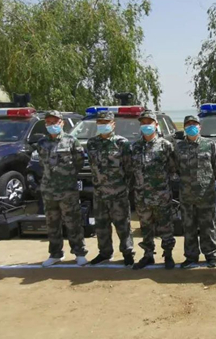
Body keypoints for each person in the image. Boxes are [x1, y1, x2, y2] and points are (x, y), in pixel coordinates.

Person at [35, 110, 88, 267]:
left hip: (67, 190)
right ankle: (55, 254)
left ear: (62, 123)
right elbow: (41, 164)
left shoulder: (71, 141)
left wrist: (66, 176)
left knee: (73, 222)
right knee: (52, 223)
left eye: (55, 122)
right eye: (48, 122)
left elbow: (79, 162)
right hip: (48, 190)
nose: (51, 125)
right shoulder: (41, 143)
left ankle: (79, 253)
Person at [86, 110, 135, 266]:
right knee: (101, 226)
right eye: (100, 123)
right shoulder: (92, 143)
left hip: (118, 193)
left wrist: (122, 187)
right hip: (99, 193)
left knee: (123, 225)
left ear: (113, 124)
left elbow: (129, 168)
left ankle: (128, 252)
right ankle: (105, 252)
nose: (103, 125)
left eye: (106, 123)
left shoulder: (122, 143)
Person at [130, 110, 176, 270]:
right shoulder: (135, 147)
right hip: (142, 196)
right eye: (143, 123)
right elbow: (130, 169)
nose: (146, 125)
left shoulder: (165, 146)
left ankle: (168, 255)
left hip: (161, 195)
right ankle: (148, 255)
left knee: (166, 226)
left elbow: (172, 168)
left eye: (149, 123)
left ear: (156, 125)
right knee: (145, 227)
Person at [173, 114, 216, 269]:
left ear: (200, 127)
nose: (191, 127)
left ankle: (211, 255)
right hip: (186, 195)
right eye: (188, 125)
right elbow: (175, 167)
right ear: (184, 128)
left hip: (206, 195)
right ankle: (191, 256)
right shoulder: (178, 147)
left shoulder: (210, 144)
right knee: (188, 227)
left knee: (208, 226)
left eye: (194, 124)